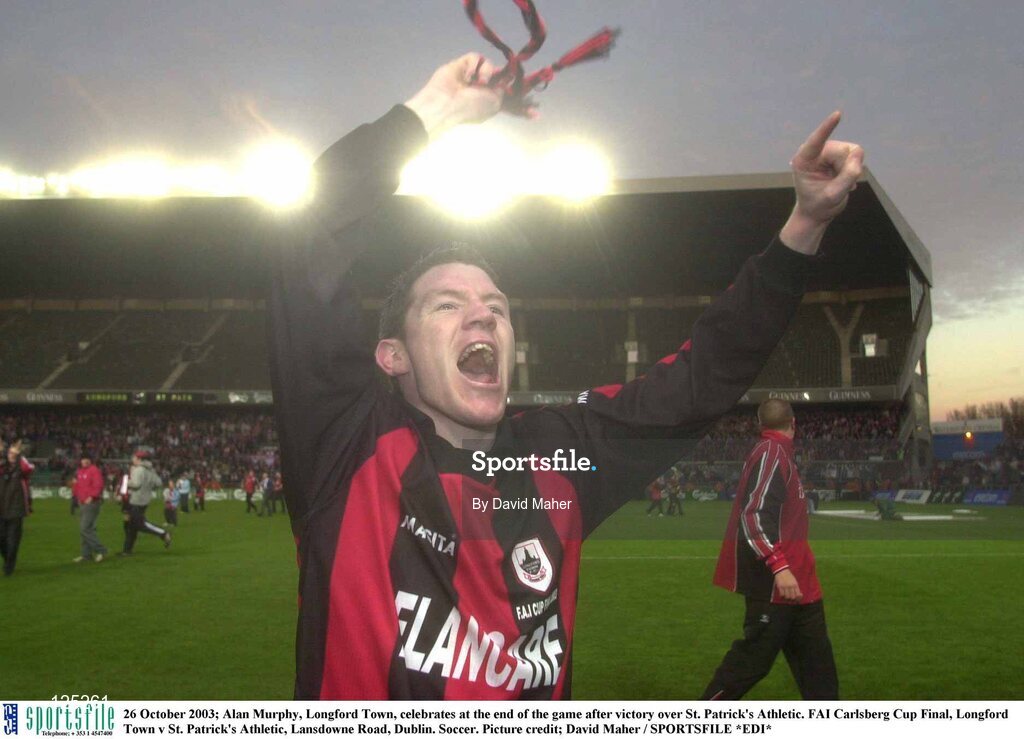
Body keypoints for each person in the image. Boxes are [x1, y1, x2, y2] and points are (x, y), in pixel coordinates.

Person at [268, 54, 862, 699]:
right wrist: (433, 111)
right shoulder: (344, 443)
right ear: (393, 356)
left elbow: (701, 379)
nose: (483, 317)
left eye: (497, 307)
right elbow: (308, 241)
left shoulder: (560, 457)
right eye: (447, 305)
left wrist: (804, 227)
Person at [702, 400, 838, 700]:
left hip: (802, 588)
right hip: (777, 587)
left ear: (760, 423)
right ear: (794, 422)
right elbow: (752, 515)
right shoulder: (771, 453)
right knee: (750, 664)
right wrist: (780, 566)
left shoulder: (778, 454)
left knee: (820, 676)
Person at [121, 450, 172, 556]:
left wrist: (125, 481)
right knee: (131, 527)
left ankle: (163, 533)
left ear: (139, 459)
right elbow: (158, 483)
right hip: (144, 500)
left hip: (135, 500)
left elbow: (136, 484)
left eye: (134, 458)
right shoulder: (151, 470)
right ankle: (127, 550)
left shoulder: (138, 469)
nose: (132, 459)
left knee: (140, 524)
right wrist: (147, 487)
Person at [0, 439, 34, 576]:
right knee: (1, 539)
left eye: (13, 452)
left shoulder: (21, 468)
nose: (11, 454)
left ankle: (9, 566)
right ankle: (8, 559)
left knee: (13, 540)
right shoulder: (2, 467)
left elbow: (28, 468)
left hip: (16, 508)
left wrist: (18, 455)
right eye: (9, 452)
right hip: (1, 509)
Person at [71, 453, 108, 563]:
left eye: (87, 459)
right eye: (83, 459)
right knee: (87, 529)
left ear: (90, 461)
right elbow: (78, 486)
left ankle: (101, 550)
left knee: (85, 528)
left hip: (91, 503)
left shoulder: (94, 470)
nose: (85, 461)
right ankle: (86, 555)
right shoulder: (79, 472)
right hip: (82, 502)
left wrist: (92, 496)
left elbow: (98, 485)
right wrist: (75, 496)